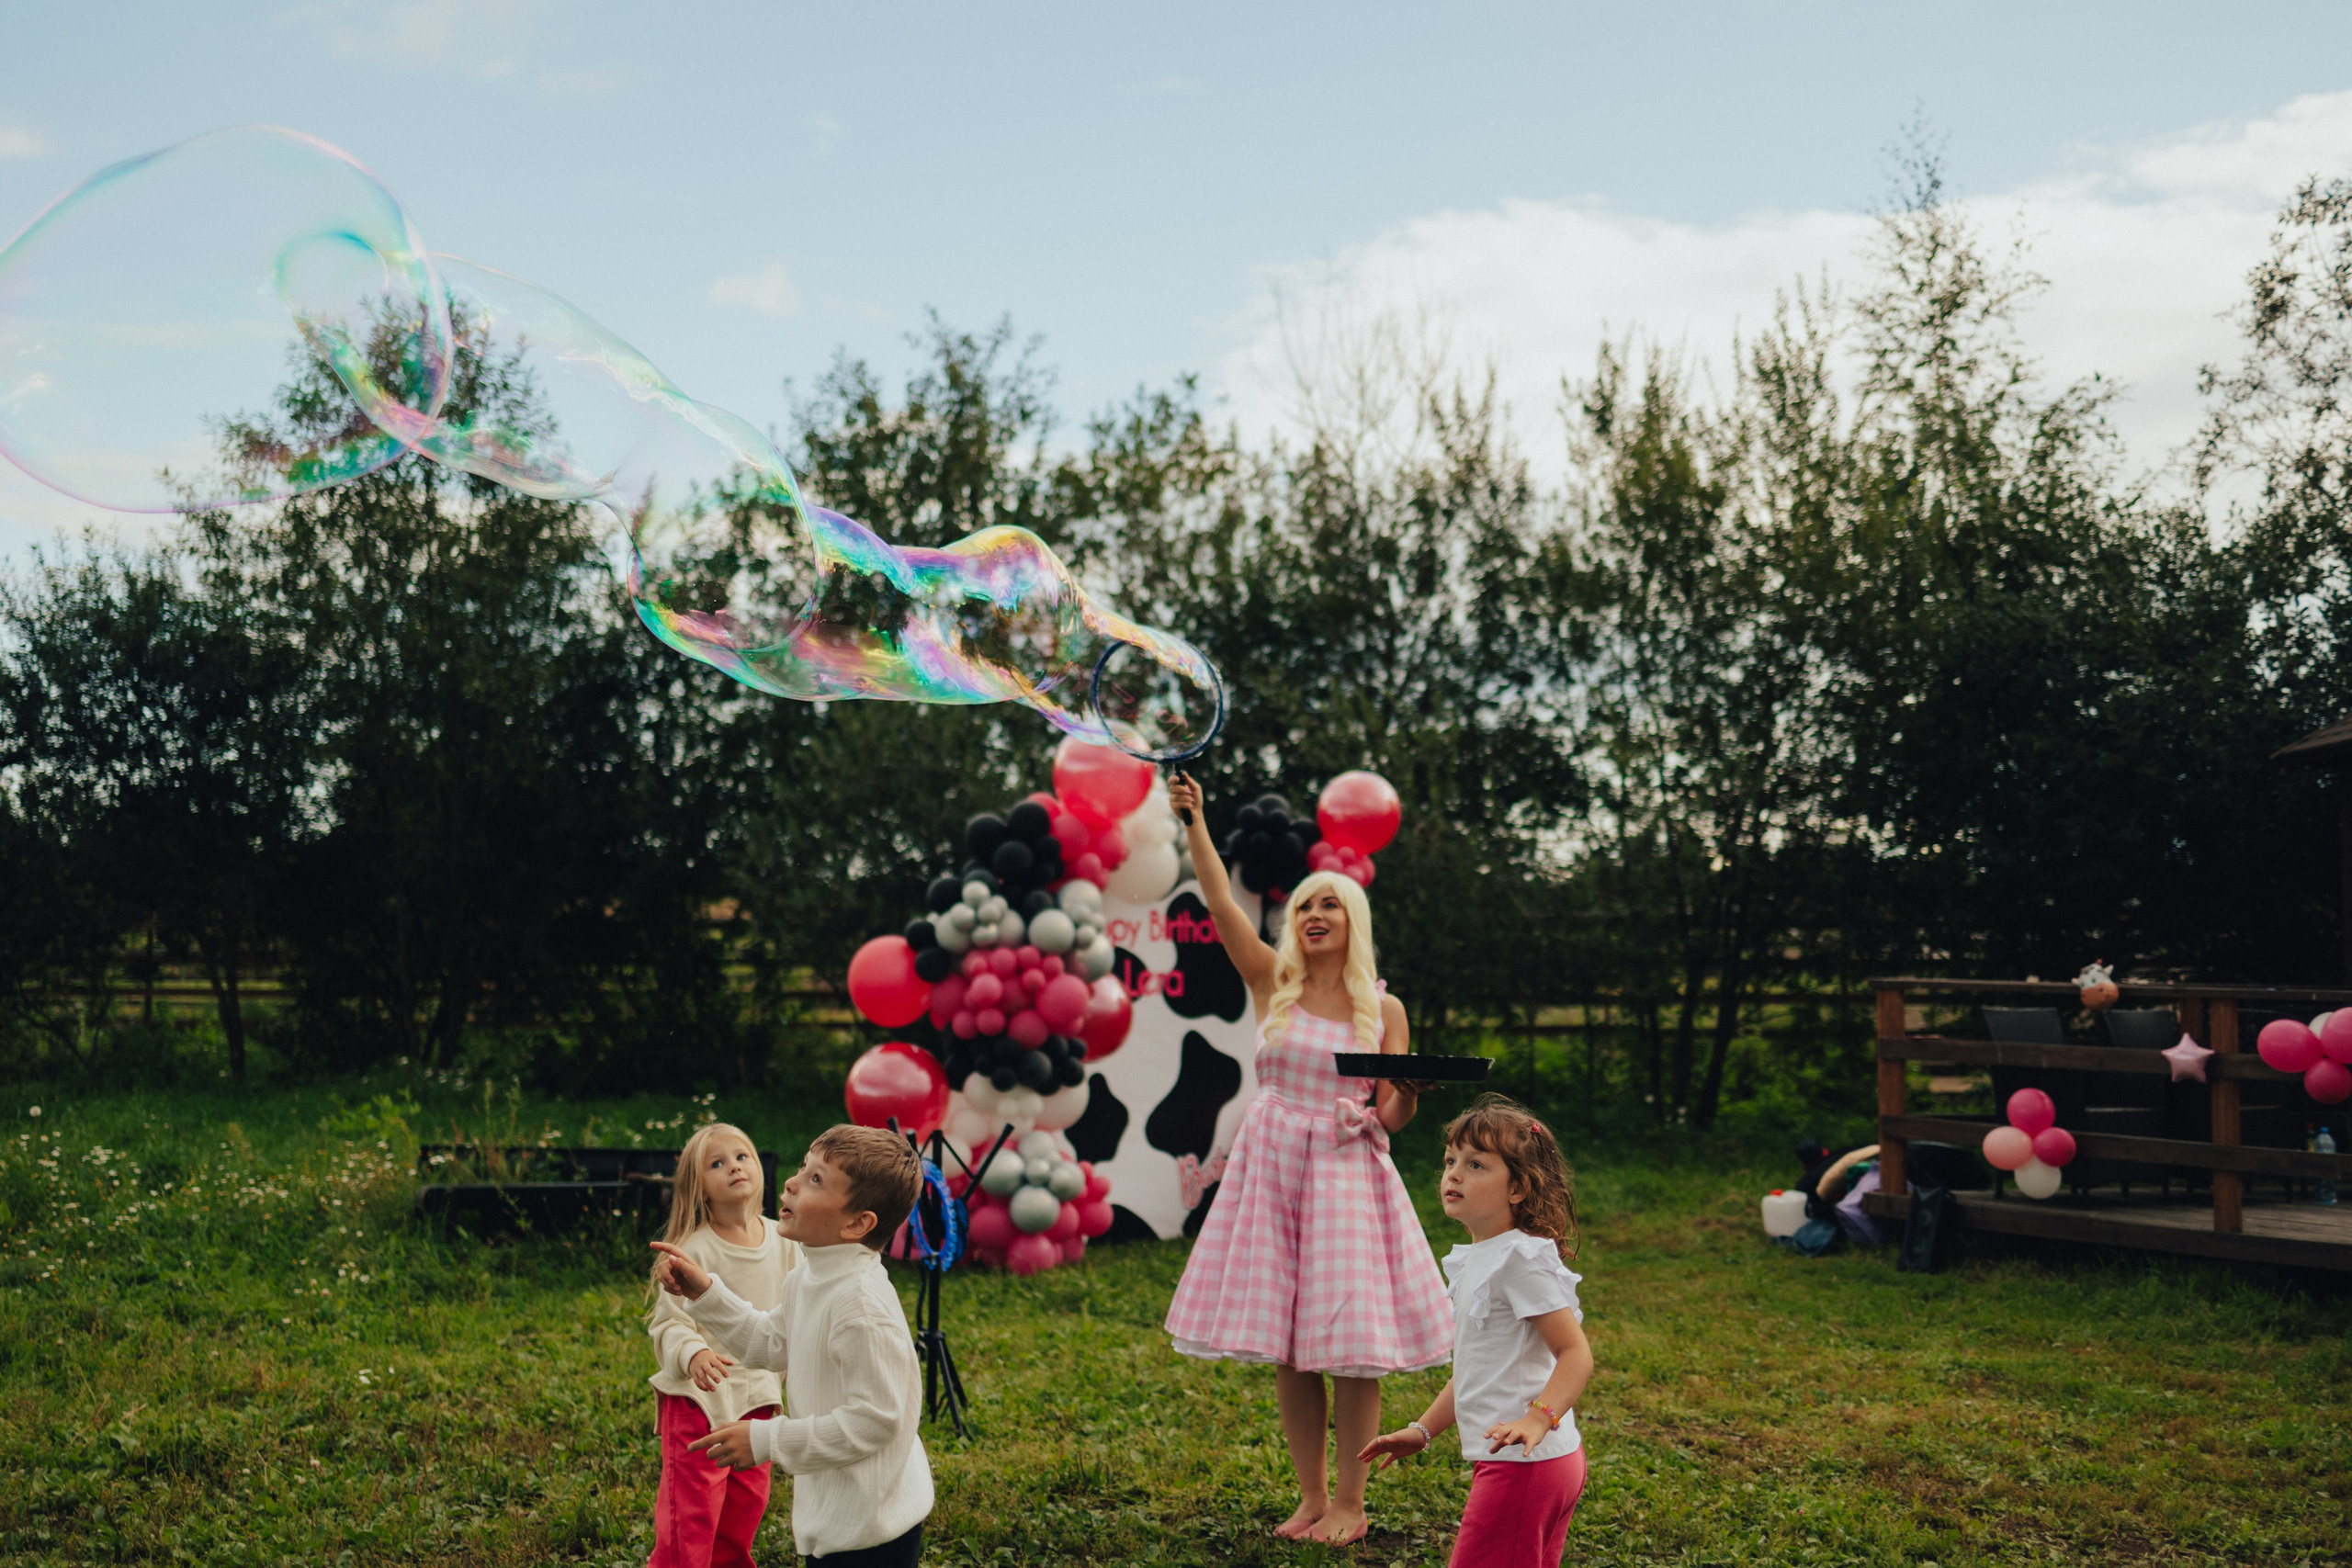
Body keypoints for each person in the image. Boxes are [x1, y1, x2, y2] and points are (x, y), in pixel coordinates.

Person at [1160, 772, 1453, 1547]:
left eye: (1329, 903)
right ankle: (1311, 1497)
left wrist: (1408, 1094)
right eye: (1304, 906)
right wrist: (1196, 821)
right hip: (1272, 1173)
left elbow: (1391, 1112)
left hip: (1347, 1176)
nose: (1314, 914)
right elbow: (1222, 904)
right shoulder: (1274, 982)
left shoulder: (1380, 1008)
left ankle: (1352, 1504)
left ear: (1352, 917)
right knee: (1290, 1350)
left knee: (1350, 1346)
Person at [650, 1125, 931, 1568]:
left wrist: (768, 1439)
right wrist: (705, 1293)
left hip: (874, 1528)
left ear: (856, 1224)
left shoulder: (860, 1305)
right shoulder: (810, 1276)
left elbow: (877, 1420)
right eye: (803, 1167)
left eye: (816, 1179)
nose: (792, 1182)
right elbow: (770, 1341)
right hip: (836, 1513)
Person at [1361, 1095, 1594, 1568]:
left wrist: (1536, 1418)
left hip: (1525, 1465)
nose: (1454, 1174)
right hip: (1532, 1463)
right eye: (1450, 1161)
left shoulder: (1518, 1261)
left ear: (1518, 1189)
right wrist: (1422, 1431)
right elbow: (1474, 1370)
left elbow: (1575, 1354)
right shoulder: (1484, 1258)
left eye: (1476, 1165)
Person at [646, 1122, 803, 1568]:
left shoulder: (785, 1241)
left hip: (758, 1400)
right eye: (717, 1163)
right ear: (700, 1187)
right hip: (702, 1401)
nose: (734, 1167)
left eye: (742, 1156)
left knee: (743, 1511)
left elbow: (801, 1308)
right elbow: (668, 1323)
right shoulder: (694, 1249)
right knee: (690, 1519)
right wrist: (693, 1353)